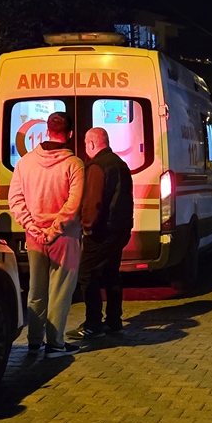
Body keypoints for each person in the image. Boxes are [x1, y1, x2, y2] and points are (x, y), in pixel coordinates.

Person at [7, 112, 85, 358]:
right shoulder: (74, 164)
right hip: (68, 238)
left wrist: (32, 228)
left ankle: (33, 341)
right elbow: (73, 206)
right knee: (61, 291)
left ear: (46, 131)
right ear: (70, 134)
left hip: (34, 238)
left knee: (36, 289)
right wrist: (54, 231)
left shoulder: (25, 162)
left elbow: (15, 200)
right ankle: (55, 343)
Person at [68, 127, 134, 340]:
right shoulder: (120, 164)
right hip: (119, 229)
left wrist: (87, 226)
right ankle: (114, 321)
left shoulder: (97, 166)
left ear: (93, 144)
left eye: (86, 144)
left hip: (102, 231)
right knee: (111, 273)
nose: (86, 149)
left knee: (87, 274)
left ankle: (93, 323)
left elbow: (93, 201)